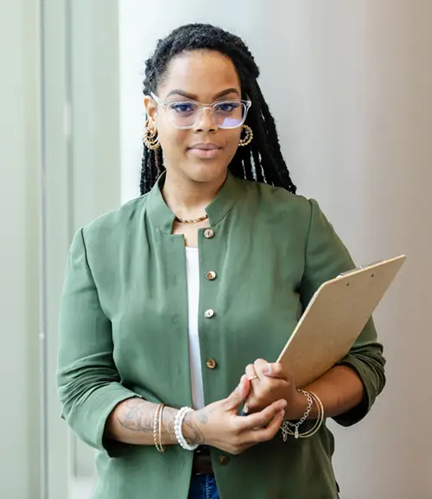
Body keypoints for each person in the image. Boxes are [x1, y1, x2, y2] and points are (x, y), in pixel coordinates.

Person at [57, 23, 386, 499]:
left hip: (284, 486)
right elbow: (81, 390)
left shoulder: (298, 223)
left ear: (243, 115)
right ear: (152, 114)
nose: (206, 123)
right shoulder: (98, 243)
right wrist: (189, 426)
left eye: (225, 105)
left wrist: (297, 403)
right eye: (184, 106)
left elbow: (365, 361)